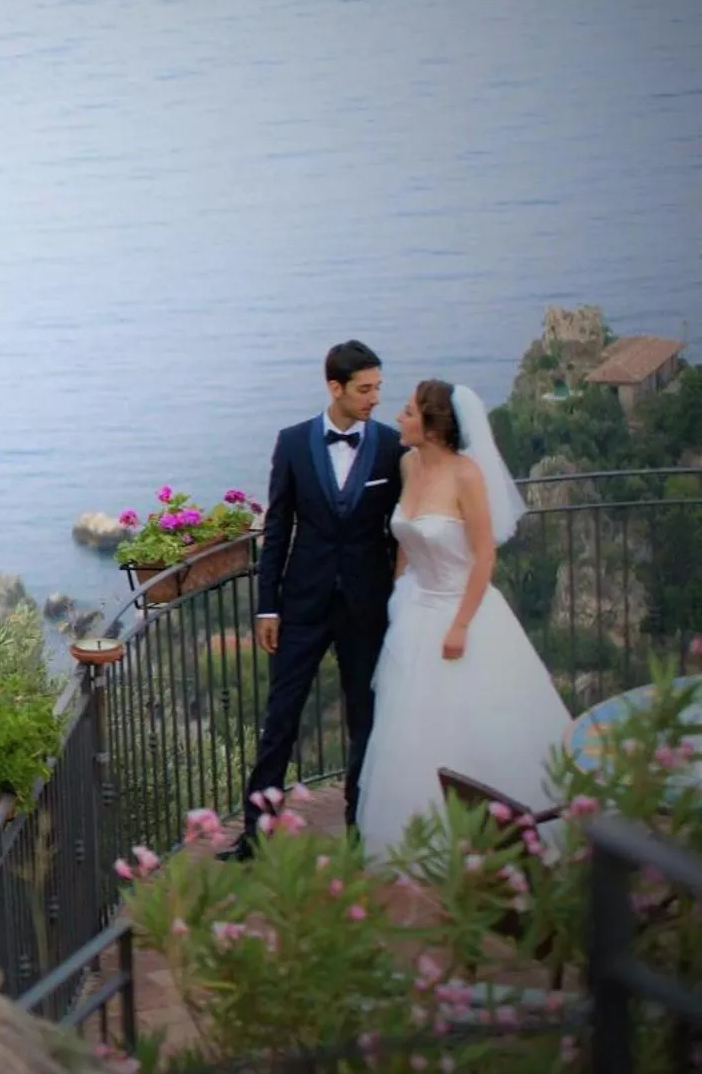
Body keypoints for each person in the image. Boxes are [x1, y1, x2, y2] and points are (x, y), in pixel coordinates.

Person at [352, 380, 571, 852]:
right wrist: (398, 592)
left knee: (475, 724)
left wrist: (460, 626)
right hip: (414, 611)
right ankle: (422, 839)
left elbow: (484, 557)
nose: (399, 418)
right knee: (412, 731)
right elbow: (407, 540)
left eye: (409, 412)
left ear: (432, 427)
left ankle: (498, 834)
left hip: (462, 610)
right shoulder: (409, 464)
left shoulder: (467, 476)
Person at [220, 340, 405, 861]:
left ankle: (360, 829)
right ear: (334, 387)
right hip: (302, 605)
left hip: (367, 608)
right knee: (280, 719)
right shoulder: (294, 442)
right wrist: (268, 607)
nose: (374, 398)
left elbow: (399, 534)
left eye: (377, 388)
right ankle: (255, 834)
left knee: (364, 720)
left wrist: (398, 600)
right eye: (364, 389)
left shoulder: (392, 448)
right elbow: (277, 529)